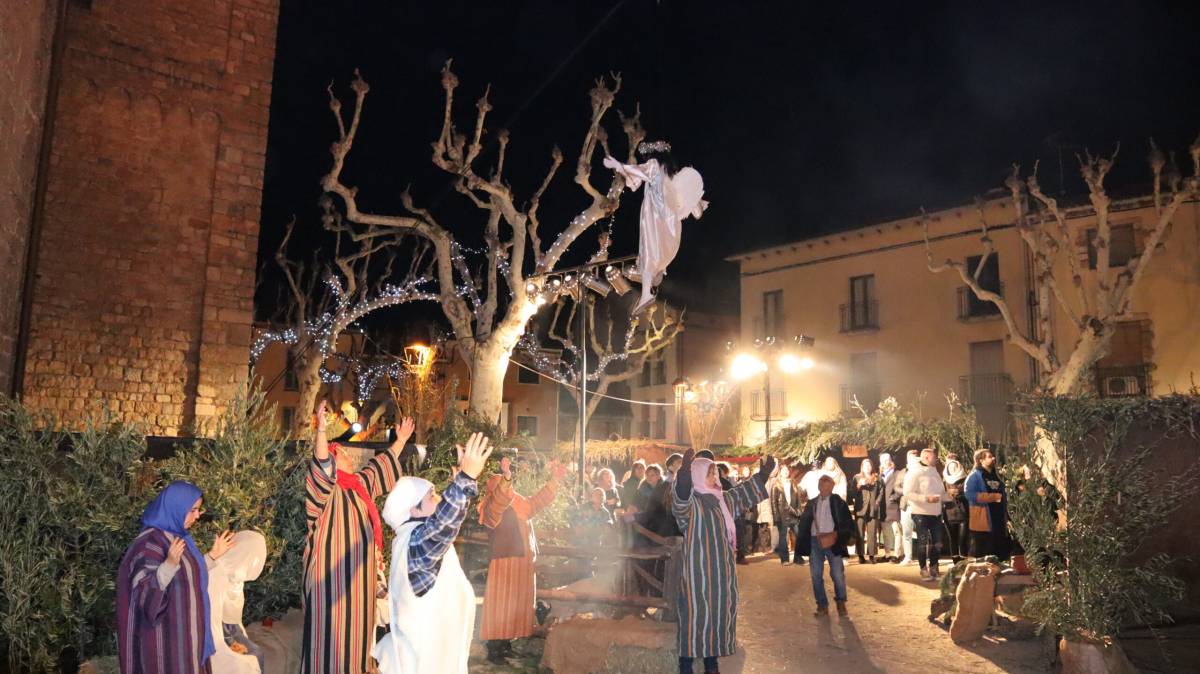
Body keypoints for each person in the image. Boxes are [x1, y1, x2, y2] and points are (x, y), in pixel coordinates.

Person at [302, 403, 414, 674]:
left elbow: (379, 467)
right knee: (327, 645)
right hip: (330, 586)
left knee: (357, 647)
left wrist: (400, 441)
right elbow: (320, 465)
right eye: (341, 453)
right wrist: (321, 431)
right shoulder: (325, 493)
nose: (347, 455)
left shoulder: (360, 486)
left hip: (359, 587)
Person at [374, 432, 493, 674]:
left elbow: (444, 525)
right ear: (414, 510)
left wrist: (461, 483)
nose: (438, 497)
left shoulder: (410, 539)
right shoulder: (416, 542)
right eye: (431, 496)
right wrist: (465, 479)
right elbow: (442, 526)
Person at [117, 481, 235, 674]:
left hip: (187, 637)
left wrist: (212, 556)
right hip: (165, 643)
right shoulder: (149, 543)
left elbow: (186, 576)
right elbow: (144, 595)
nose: (197, 516)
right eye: (193, 510)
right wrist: (168, 565)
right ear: (176, 507)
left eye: (198, 510)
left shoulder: (178, 536)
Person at [672, 449, 774, 674]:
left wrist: (763, 474)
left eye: (715, 473)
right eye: (710, 473)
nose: (715, 477)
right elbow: (680, 499)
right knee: (694, 617)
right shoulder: (691, 505)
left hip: (721, 574)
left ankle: (711, 663)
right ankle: (686, 665)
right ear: (698, 476)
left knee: (717, 617)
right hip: (698, 574)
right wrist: (685, 473)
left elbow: (744, 493)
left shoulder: (723, 500)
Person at [478, 454, 568, 663]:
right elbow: (499, 500)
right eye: (501, 484)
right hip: (505, 562)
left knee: (517, 604)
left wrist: (555, 480)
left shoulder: (518, 503)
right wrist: (506, 476)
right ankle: (494, 649)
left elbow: (535, 503)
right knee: (501, 603)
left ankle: (506, 644)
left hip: (522, 561)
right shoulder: (491, 506)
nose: (508, 488)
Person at [604, 141, 707, 313]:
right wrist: (695, 203)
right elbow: (690, 204)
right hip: (671, 224)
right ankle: (653, 279)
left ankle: (646, 293)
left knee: (649, 254)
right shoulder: (672, 177)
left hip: (656, 218)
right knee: (655, 256)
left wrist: (618, 165)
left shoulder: (653, 165)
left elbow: (639, 173)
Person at [795, 475, 855, 617]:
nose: (825, 489)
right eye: (823, 486)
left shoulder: (838, 502)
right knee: (816, 575)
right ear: (819, 487)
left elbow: (847, 522)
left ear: (832, 487)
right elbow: (804, 523)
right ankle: (822, 605)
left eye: (828, 486)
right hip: (815, 541)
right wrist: (802, 543)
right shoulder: (812, 503)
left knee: (837, 574)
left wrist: (840, 535)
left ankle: (841, 602)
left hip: (833, 541)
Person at [209, 531, 267, 674]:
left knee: (256, 654)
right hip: (214, 637)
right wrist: (229, 644)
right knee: (248, 660)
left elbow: (234, 621)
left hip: (230, 631)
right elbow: (212, 623)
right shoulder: (216, 574)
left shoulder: (235, 578)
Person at [904, 448, 949, 581]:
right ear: (927, 458)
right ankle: (923, 569)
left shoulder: (935, 472)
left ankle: (934, 567)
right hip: (920, 513)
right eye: (934, 457)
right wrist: (925, 498)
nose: (936, 460)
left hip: (936, 513)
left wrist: (949, 496)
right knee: (922, 543)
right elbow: (907, 493)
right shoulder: (914, 472)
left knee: (938, 542)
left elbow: (941, 494)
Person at [965, 448, 1010, 559]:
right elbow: (969, 494)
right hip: (983, 520)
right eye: (989, 457)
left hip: (999, 520)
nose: (993, 458)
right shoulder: (974, 476)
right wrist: (992, 497)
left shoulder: (997, 475)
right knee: (983, 553)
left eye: (992, 456)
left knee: (999, 553)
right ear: (981, 460)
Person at [770, 464, 804, 565]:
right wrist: (776, 517)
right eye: (783, 470)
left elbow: (798, 500)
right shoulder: (776, 485)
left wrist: (799, 511)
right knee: (783, 537)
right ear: (780, 472)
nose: (786, 472)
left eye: (787, 470)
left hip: (793, 513)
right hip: (782, 515)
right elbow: (773, 502)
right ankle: (784, 559)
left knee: (799, 535)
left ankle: (798, 558)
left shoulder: (793, 483)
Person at [850, 459, 881, 564]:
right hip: (860, 508)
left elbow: (881, 491)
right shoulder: (857, 477)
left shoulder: (877, 478)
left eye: (869, 465)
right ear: (862, 467)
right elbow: (852, 493)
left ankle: (872, 555)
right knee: (860, 533)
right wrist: (859, 485)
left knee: (872, 533)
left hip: (872, 509)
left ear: (872, 467)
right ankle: (860, 555)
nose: (867, 467)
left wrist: (877, 502)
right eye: (865, 466)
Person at [894, 449, 921, 565]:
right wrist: (906, 491)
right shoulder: (902, 472)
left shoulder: (923, 471)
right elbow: (896, 487)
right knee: (906, 532)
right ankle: (908, 557)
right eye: (910, 457)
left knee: (922, 533)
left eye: (915, 457)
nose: (912, 459)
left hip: (920, 506)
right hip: (906, 506)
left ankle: (923, 557)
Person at [880, 453, 903, 563]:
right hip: (883, 508)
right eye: (883, 460)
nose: (885, 462)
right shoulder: (880, 476)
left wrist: (894, 497)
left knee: (897, 531)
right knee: (886, 533)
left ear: (891, 461)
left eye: (887, 460)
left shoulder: (897, 474)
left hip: (893, 507)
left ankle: (897, 554)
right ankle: (887, 554)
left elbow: (901, 488)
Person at [943, 480, 969, 563]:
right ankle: (956, 564)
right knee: (953, 540)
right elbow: (940, 495)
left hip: (963, 514)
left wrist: (960, 493)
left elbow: (969, 494)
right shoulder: (944, 481)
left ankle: (963, 564)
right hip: (949, 514)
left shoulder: (964, 479)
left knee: (963, 541)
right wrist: (948, 493)